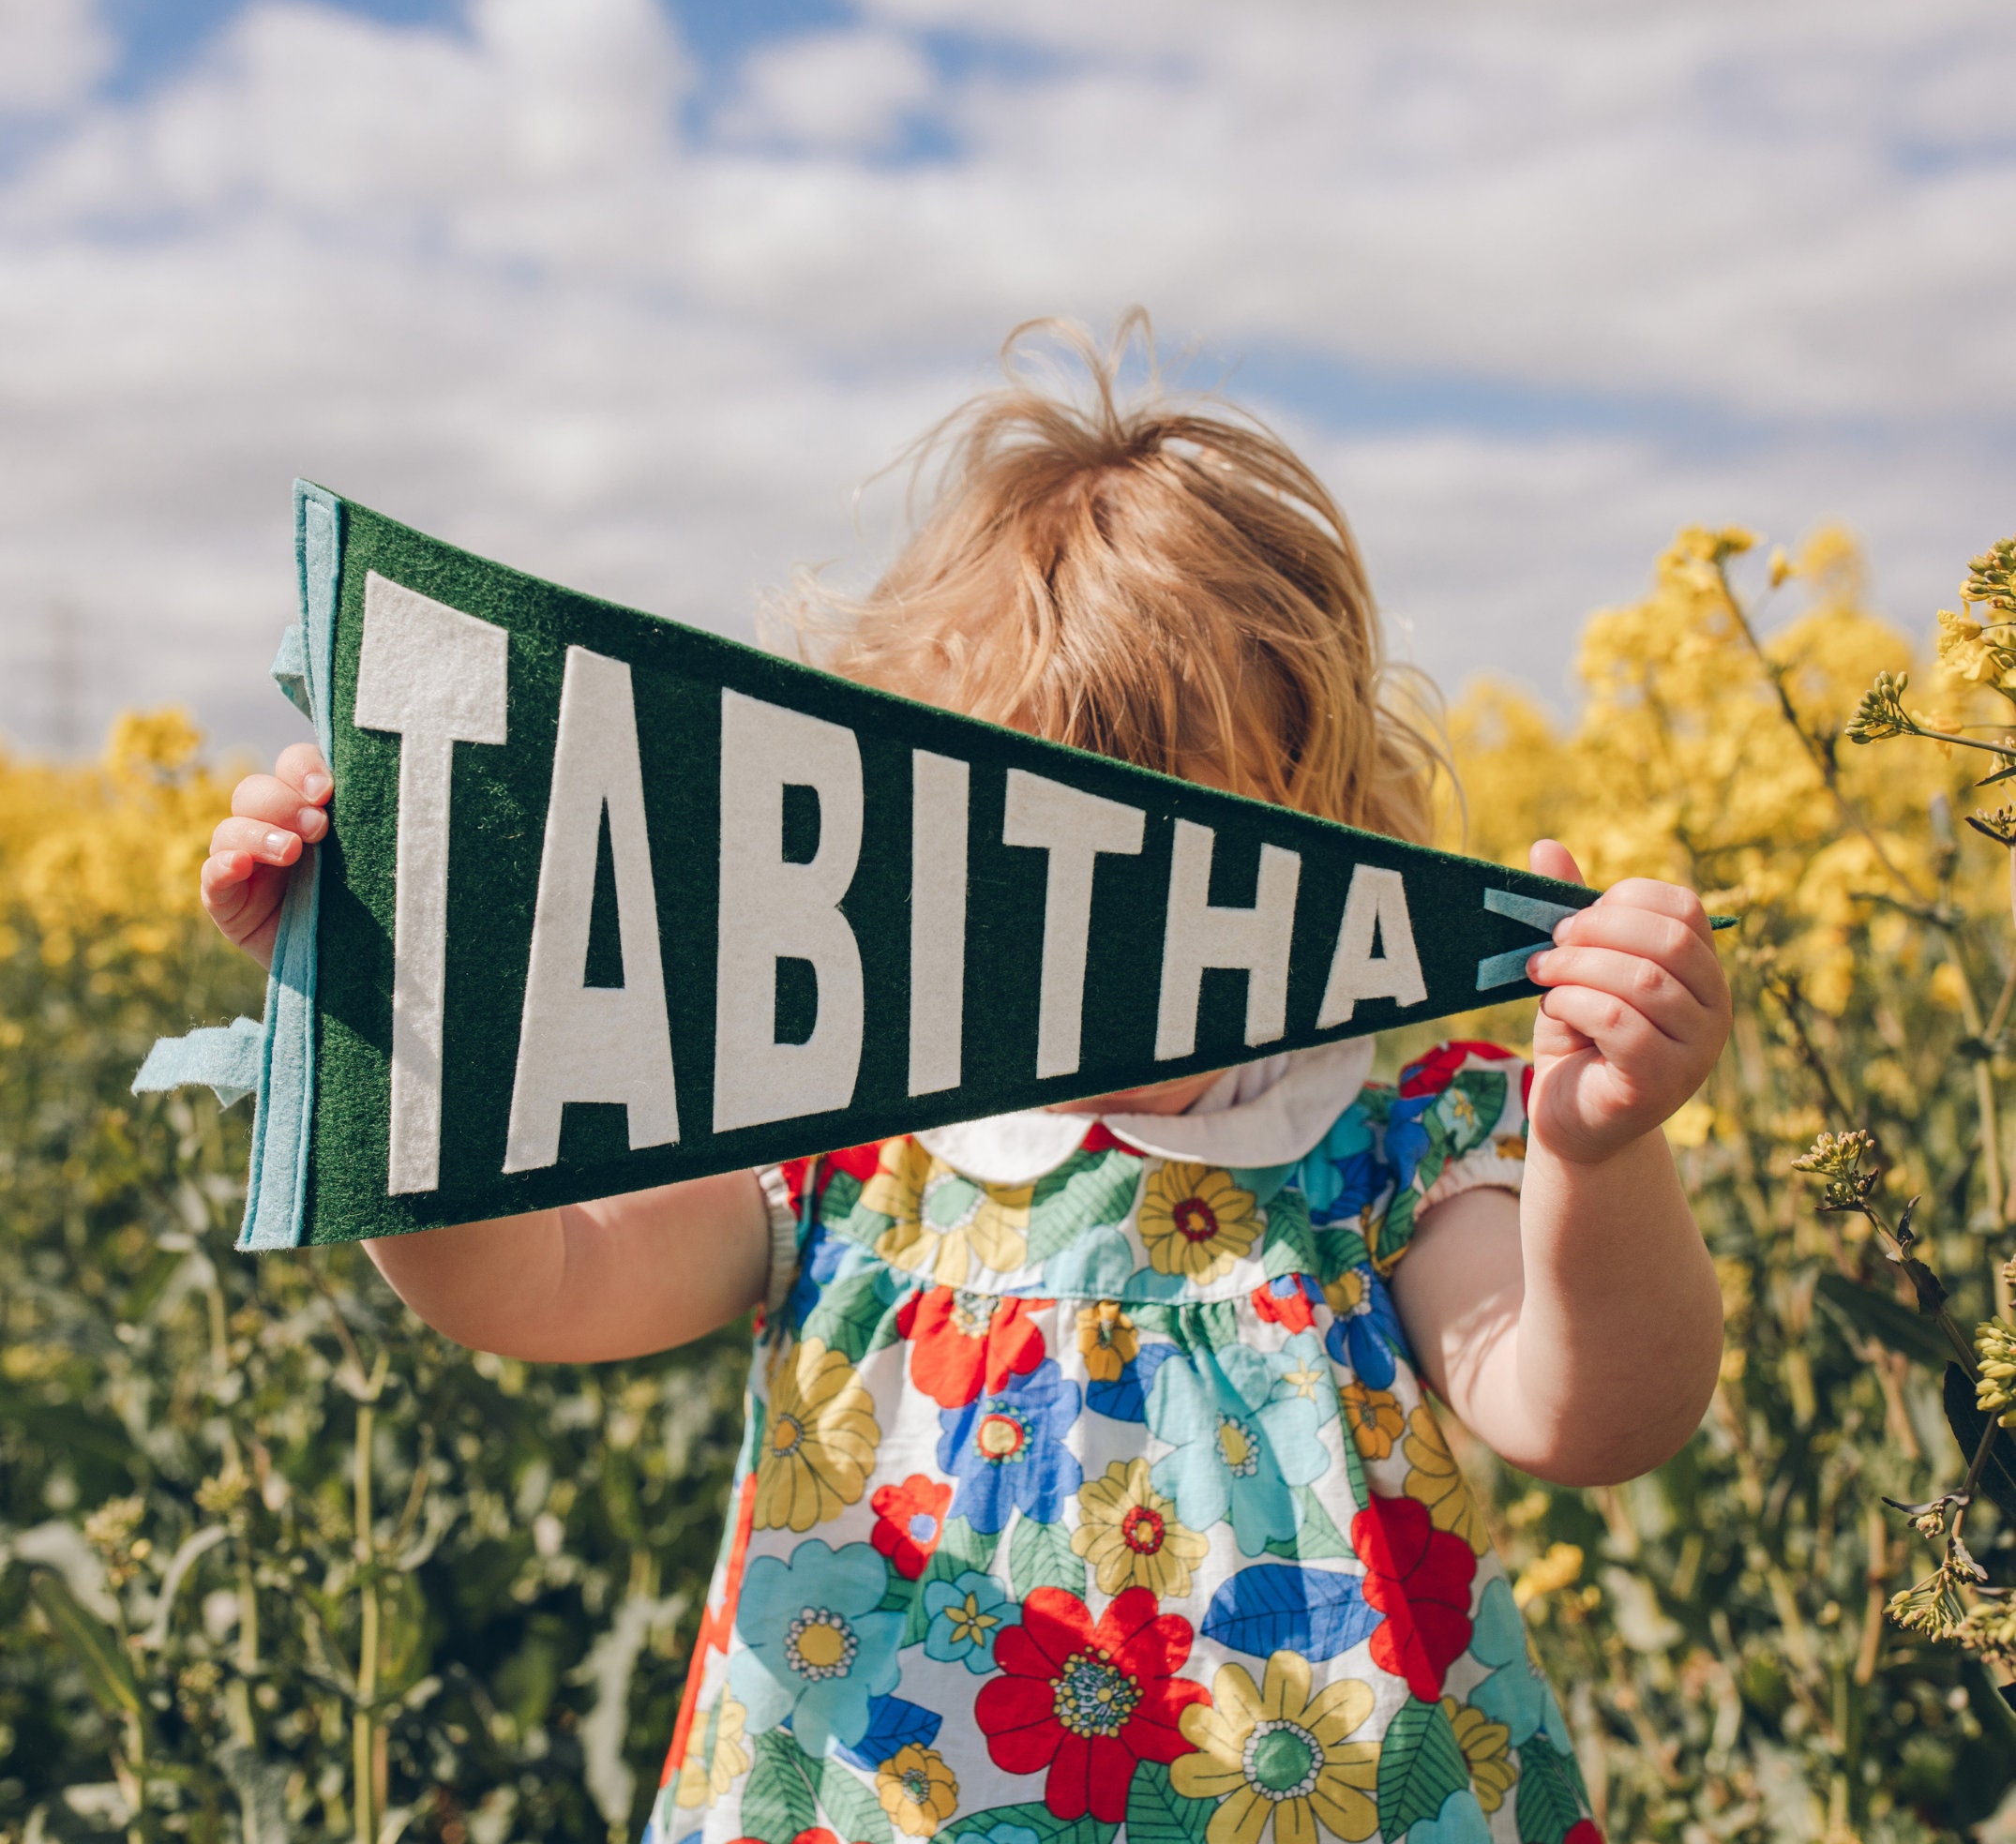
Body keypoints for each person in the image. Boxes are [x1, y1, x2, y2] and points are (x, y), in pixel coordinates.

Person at [201, 318, 1727, 1844]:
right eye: (1019, 859)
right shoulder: (835, 1139)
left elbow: (1591, 1418)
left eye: (1167, 859)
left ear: (1314, 839)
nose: (1091, 935)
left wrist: (1599, 1155)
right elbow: (534, 1286)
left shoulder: (1378, 1160)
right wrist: (379, 1015)